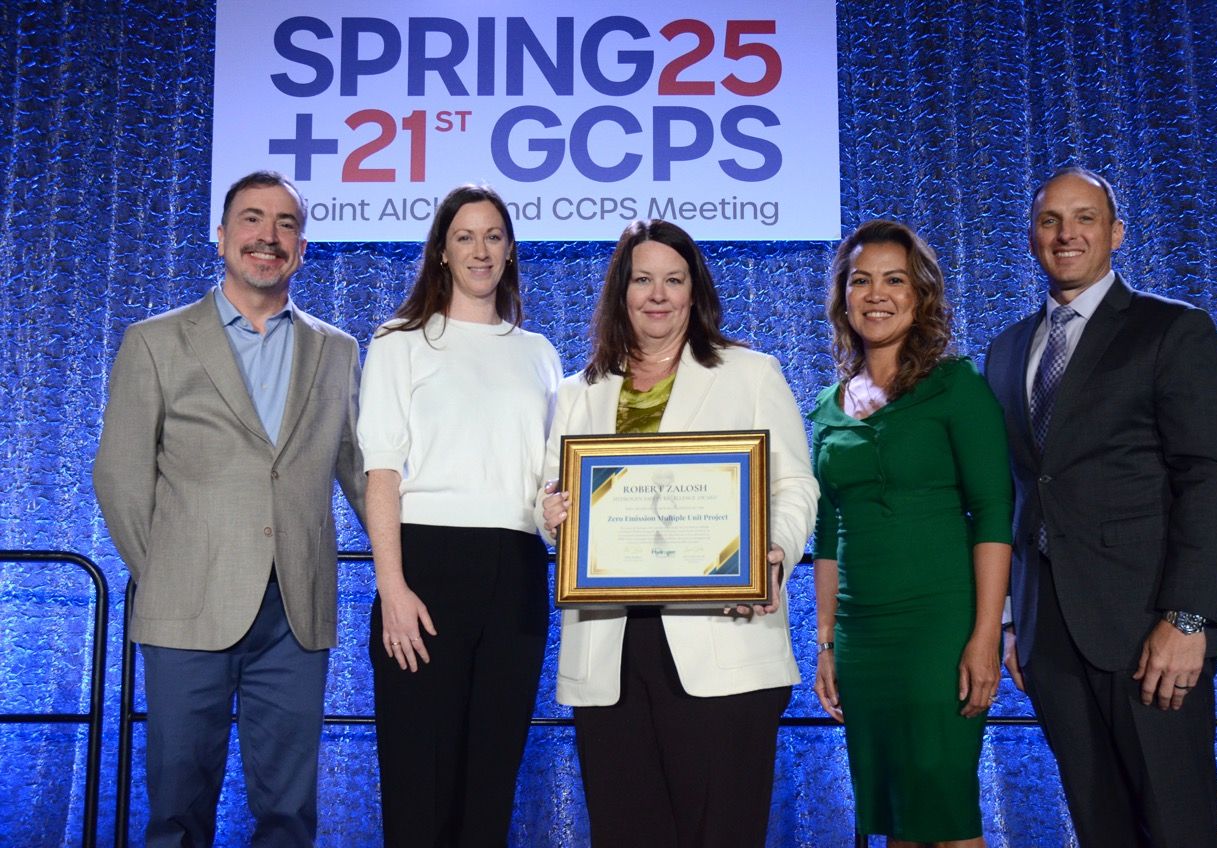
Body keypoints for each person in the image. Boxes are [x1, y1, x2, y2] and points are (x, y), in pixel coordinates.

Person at [93, 170, 365, 846]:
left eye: (285, 224)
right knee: (178, 809)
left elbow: (361, 471)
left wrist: (426, 554)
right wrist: (168, 574)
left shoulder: (337, 350)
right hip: (185, 609)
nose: (267, 237)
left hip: (296, 615)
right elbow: (120, 476)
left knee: (289, 813)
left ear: (302, 248)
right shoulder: (154, 341)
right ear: (220, 237)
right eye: (251, 219)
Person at [538, 219, 818, 847]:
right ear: (621, 292)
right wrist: (548, 515)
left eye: (673, 279)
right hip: (609, 650)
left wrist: (773, 555)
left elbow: (795, 487)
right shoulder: (576, 394)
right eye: (643, 280)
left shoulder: (751, 373)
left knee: (719, 832)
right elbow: (549, 491)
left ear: (695, 292)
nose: (657, 295)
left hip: (724, 637)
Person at [984, 167, 1217, 847]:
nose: (1066, 234)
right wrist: (1015, 621)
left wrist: (1187, 618)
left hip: (1150, 632)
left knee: (1177, 826)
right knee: (1100, 829)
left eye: (1085, 218)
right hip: (1051, 638)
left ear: (1116, 233)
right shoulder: (1007, 350)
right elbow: (1021, 489)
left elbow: (1208, 480)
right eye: (1049, 221)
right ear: (1031, 236)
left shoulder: (1171, 331)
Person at [357, 184, 562, 847]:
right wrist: (392, 588)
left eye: (494, 236)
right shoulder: (401, 341)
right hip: (426, 571)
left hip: (518, 573)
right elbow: (381, 471)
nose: (481, 249)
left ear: (510, 251)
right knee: (420, 785)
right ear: (441, 251)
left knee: (490, 786)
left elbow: (545, 485)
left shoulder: (540, 354)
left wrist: (559, 512)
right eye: (466, 236)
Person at [809, 219, 1012, 847]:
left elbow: (995, 512)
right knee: (896, 811)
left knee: (944, 804)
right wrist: (825, 643)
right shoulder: (824, 407)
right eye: (861, 280)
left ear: (920, 295)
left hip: (940, 628)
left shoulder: (957, 387)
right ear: (843, 297)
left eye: (894, 280)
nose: (876, 294)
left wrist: (986, 636)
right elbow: (826, 532)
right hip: (862, 637)